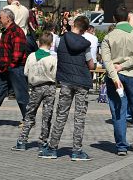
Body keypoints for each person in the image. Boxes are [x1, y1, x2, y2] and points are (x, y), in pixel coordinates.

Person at [39, 16, 94, 161]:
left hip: (65, 81)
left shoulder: (60, 40)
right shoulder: (85, 44)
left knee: (61, 115)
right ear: (84, 29)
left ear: (73, 25)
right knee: (79, 117)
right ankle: (77, 150)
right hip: (82, 82)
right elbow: (91, 65)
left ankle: (52, 148)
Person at [101, 5, 133, 156]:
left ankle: (122, 147)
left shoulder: (108, 37)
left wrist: (116, 75)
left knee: (118, 112)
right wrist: (124, 66)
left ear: (115, 19)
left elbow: (106, 61)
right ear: (129, 18)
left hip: (115, 78)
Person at [13, 31, 57, 151]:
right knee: (47, 115)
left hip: (35, 88)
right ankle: (43, 141)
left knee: (30, 114)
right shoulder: (52, 58)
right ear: (51, 44)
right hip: (49, 87)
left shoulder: (31, 56)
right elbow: (54, 74)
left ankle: (22, 140)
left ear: (38, 42)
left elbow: (26, 72)